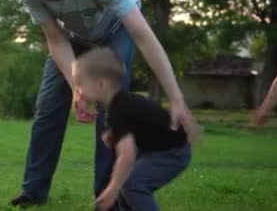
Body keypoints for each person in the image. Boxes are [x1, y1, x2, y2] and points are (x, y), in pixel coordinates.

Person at [7, 0, 199, 208]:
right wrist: (76, 88)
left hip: (115, 30)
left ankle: (107, 196)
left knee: (113, 108)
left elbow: (143, 36)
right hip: (73, 37)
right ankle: (33, 193)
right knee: (48, 108)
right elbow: (55, 38)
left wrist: (177, 99)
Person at [72, 47, 191, 211]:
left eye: (80, 84)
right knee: (126, 185)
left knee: (132, 185)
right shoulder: (121, 102)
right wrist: (114, 134)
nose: (77, 90)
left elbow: (127, 157)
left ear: (101, 85)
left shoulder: (119, 110)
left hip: (172, 152)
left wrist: (111, 189)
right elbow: (136, 125)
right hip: (162, 148)